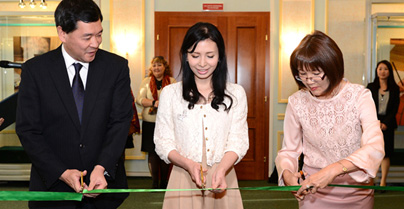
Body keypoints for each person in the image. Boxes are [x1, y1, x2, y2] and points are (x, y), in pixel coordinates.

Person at [15, 0, 132, 208]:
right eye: (87, 37)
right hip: (52, 189)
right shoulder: (35, 71)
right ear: (62, 33)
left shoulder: (116, 68)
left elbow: (120, 123)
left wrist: (101, 167)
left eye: (99, 34)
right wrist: (61, 172)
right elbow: (28, 130)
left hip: (102, 190)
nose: (95, 43)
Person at [275, 30, 384, 209]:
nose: (309, 81)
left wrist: (334, 169)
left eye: (316, 74)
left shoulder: (359, 96)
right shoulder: (297, 101)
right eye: (302, 75)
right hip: (314, 190)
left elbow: (375, 146)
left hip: (356, 191)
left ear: (332, 67)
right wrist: (287, 173)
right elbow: (289, 150)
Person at [153, 22, 249, 209]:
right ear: (186, 56)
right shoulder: (170, 93)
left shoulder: (236, 93)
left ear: (220, 56)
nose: (203, 63)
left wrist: (221, 169)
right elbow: (163, 142)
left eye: (210, 56)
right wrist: (188, 164)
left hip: (223, 176)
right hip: (183, 176)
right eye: (195, 55)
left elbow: (239, 140)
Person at [136, 56, 176, 189]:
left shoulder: (172, 81)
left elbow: (177, 101)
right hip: (149, 122)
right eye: (154, 66)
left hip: (167, 123)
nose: (156, 68)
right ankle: (154, 182)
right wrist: (154, 103)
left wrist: (164, 104)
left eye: (159, 65)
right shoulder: (146, 82)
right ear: (151, 68)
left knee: (165, 152)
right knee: (152, 153)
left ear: (165, 67)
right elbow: (139, 100)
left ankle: (164, 182)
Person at [366, 60, 400, 188]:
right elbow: (367, 106)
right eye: (380, 69)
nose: (382, 71)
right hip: (372, 124)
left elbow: (395, 108)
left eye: (385, 69)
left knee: (385, 153)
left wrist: (385, 123)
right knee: (372, 152)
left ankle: (383, 182)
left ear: (390, 72)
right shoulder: (370, 87)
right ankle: (371, 181)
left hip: (388, 125)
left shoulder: (394, 89)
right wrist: (376, 122)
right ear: (376, 71)